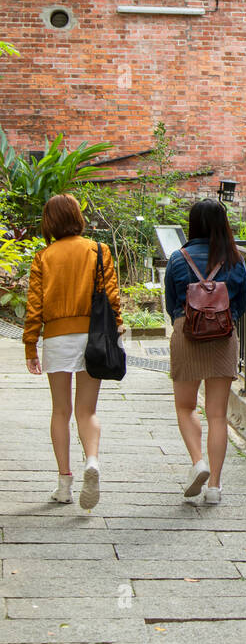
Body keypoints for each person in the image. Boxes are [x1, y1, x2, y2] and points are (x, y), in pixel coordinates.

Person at [23, 193, 123, 510]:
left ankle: (64, 483)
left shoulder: (44, 257)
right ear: (78, 217)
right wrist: (116, 325)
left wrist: (30, 345)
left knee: (60, 411)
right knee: (87, 411)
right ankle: (91, 460)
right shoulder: (98, 250)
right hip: (93, 335)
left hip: (57, 338)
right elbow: (111, 295)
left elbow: (34, 306)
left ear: (49, 221)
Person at [164, 199, 246, 504]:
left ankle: (197, 461)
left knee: (185, 407)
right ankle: (214, 486)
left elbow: (171, 303)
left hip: (186, 335)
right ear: (222, 224)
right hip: (223, 337)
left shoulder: (177, 258)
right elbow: (241, 304)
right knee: (217, 415)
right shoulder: (235, 260)